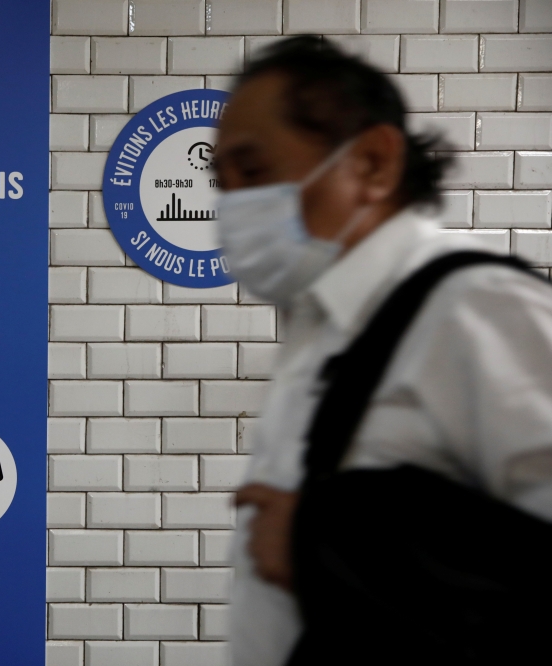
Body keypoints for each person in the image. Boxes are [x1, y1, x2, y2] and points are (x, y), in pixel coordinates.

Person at [213, 36, 552, 665]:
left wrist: (321, 540)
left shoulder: (476, 308)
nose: (231, 205)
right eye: (220, 180)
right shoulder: (328, 326)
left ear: (371, 162)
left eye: (253, 172)